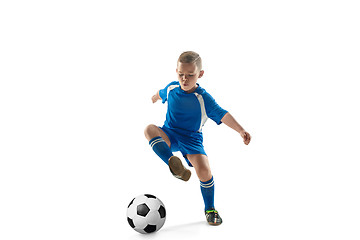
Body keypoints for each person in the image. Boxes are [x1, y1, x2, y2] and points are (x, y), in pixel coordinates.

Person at [144, 51, 251, 225]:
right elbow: (160, 93)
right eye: (181, 74)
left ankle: (210, 209)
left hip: (192, 139)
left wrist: (240, 130)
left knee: (204, 170)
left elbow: (222, 114)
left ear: (200, 74)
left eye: (190, 75)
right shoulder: (172, 88)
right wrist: (154, 97)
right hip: (169, 133)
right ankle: (173, 164)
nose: (184, 79)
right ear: (176, 72)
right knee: (149, 129)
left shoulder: (203, 98)